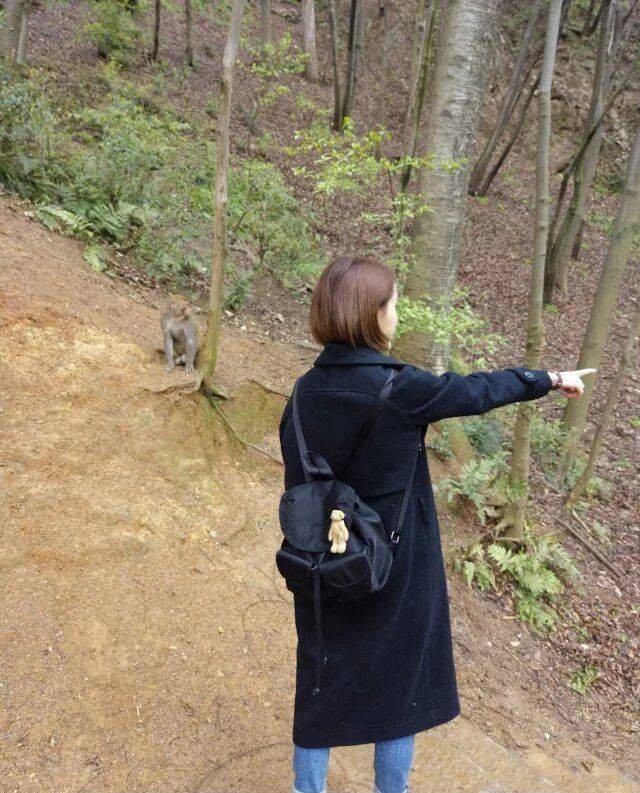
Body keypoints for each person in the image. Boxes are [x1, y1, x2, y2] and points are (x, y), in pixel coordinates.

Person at [278, 255, 594, 793]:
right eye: (393, 304)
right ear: (371, 314)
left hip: (320, 562)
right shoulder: (400, 389)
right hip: (396, 567)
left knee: (319, 685)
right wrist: (549, 379)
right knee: (400, 689)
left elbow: (299, 482)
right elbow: (476, 391)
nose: (397, 315)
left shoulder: (304, 392)